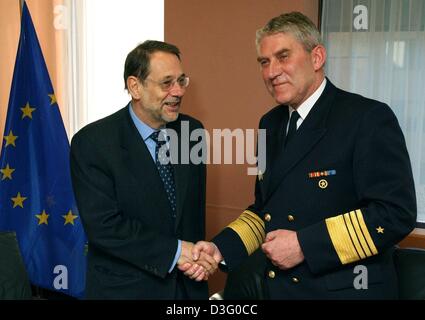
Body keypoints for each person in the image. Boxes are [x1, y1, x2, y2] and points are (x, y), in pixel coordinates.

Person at [188, 12, 417, 299]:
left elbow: (395, 212)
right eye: (264, 62)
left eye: (283, 56)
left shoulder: (367, 117)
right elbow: (264, 209)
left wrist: (305, 245)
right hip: (280, 290)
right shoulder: (269, 124)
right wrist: (222, 247)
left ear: (317, 57)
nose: (272, 72)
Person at [70, 40, 216, 299]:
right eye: (166, 83)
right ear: (135, 87)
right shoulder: (93, 143)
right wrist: (175, 252)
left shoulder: (191, 131)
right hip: (126, 291)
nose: (178, 91)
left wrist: (197, 259)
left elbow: (191, 216)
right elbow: (105, 227)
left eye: (181, 81)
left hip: (187, 289)